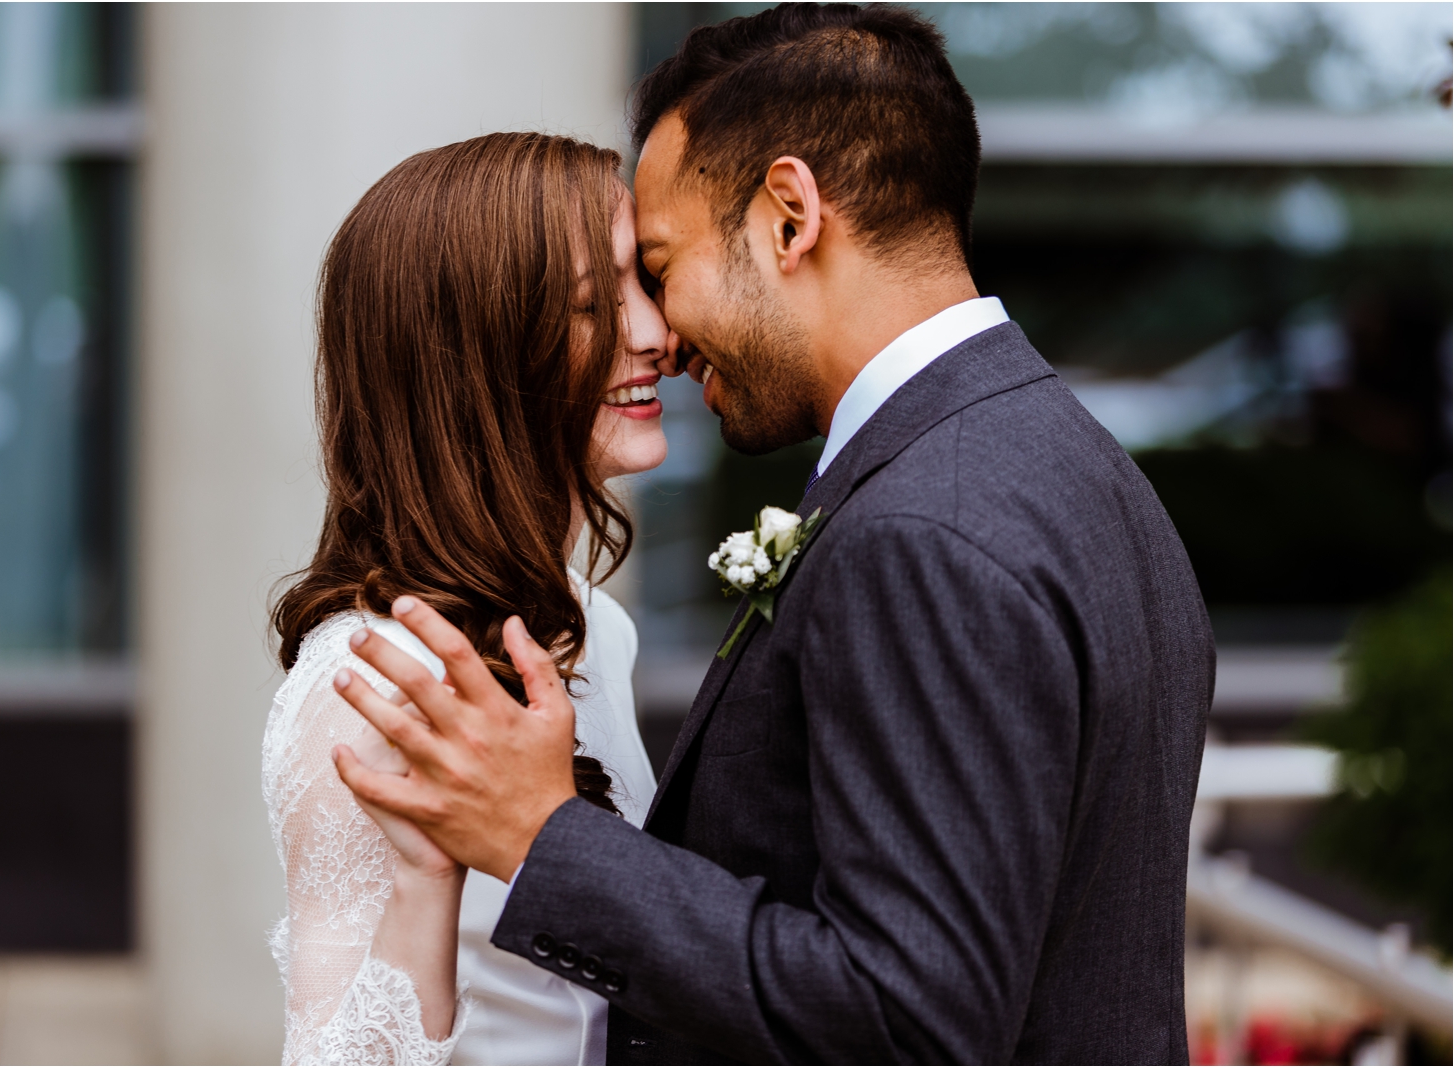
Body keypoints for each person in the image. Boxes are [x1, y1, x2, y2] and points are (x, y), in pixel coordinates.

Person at [330, 4, 1216, 1066]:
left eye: (660, 265)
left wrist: (542, 840)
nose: (657, 330)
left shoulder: (922, 529)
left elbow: (908, 1022)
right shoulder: (1074, 467)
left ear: (788, 217)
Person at [264, 131, 673, 1064]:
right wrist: (426, 883)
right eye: (588, 305)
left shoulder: (594, 626)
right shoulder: (365, 679)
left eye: (640, 284)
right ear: (476, 362)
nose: (650, 332)